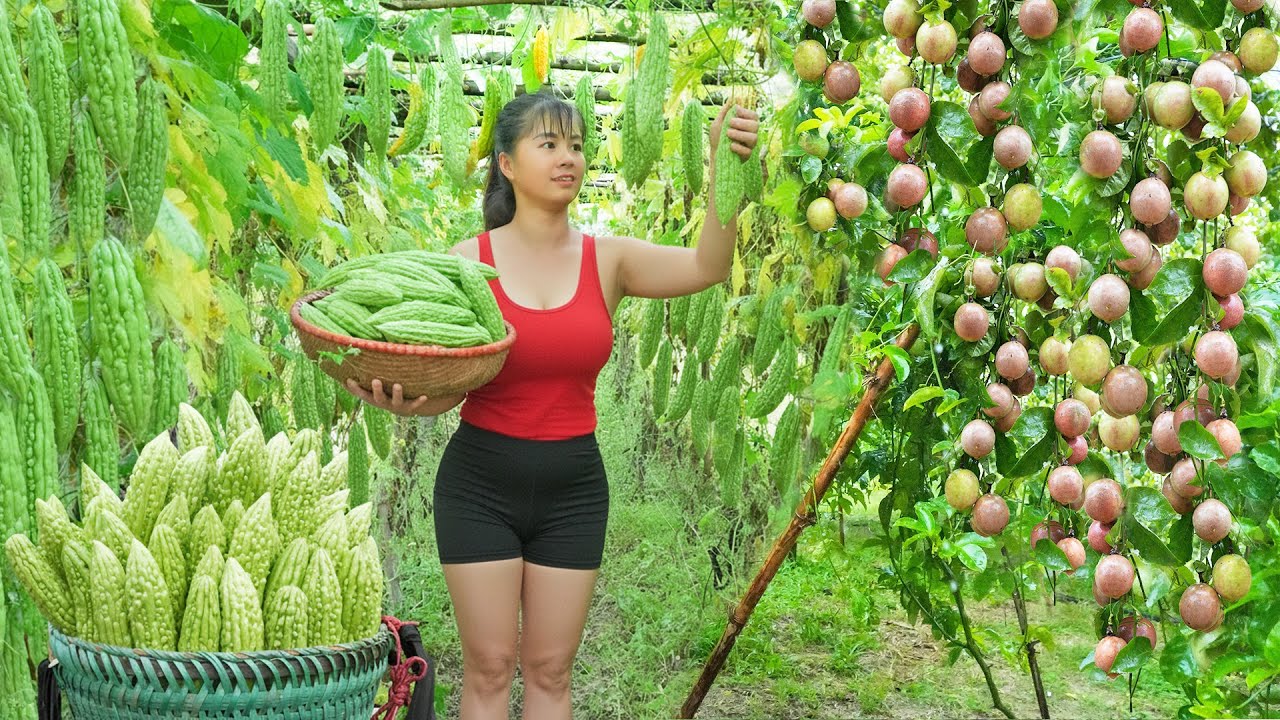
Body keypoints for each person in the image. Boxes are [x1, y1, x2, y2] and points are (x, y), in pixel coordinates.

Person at [346, 88, 759, 720]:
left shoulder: (609, 260)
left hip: (574, 492)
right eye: (548, 144)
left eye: (576, 145)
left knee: (550, 671)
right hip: (479, 486)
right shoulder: (467, 264)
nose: (568, 157)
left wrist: (720, 167)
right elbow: (447, 388)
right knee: (488, 670)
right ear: (507, 163)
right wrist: (404, 400)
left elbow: (709, 266)